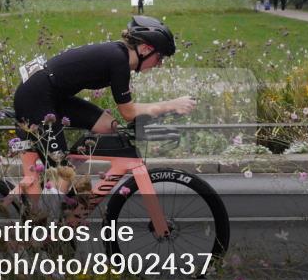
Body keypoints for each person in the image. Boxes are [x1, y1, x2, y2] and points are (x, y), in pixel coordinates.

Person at [13, 15, 195, 188]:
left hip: (52, 95)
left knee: (109, 125)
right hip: (35, 98)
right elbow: (129, 112)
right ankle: (52, 213)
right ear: (146, 49)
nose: (159, 64)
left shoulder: (118, 55)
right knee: (63, 175)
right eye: (160, 57)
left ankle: (67, 176)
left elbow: (125, 115)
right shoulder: (118, 60)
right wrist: (172, 104)